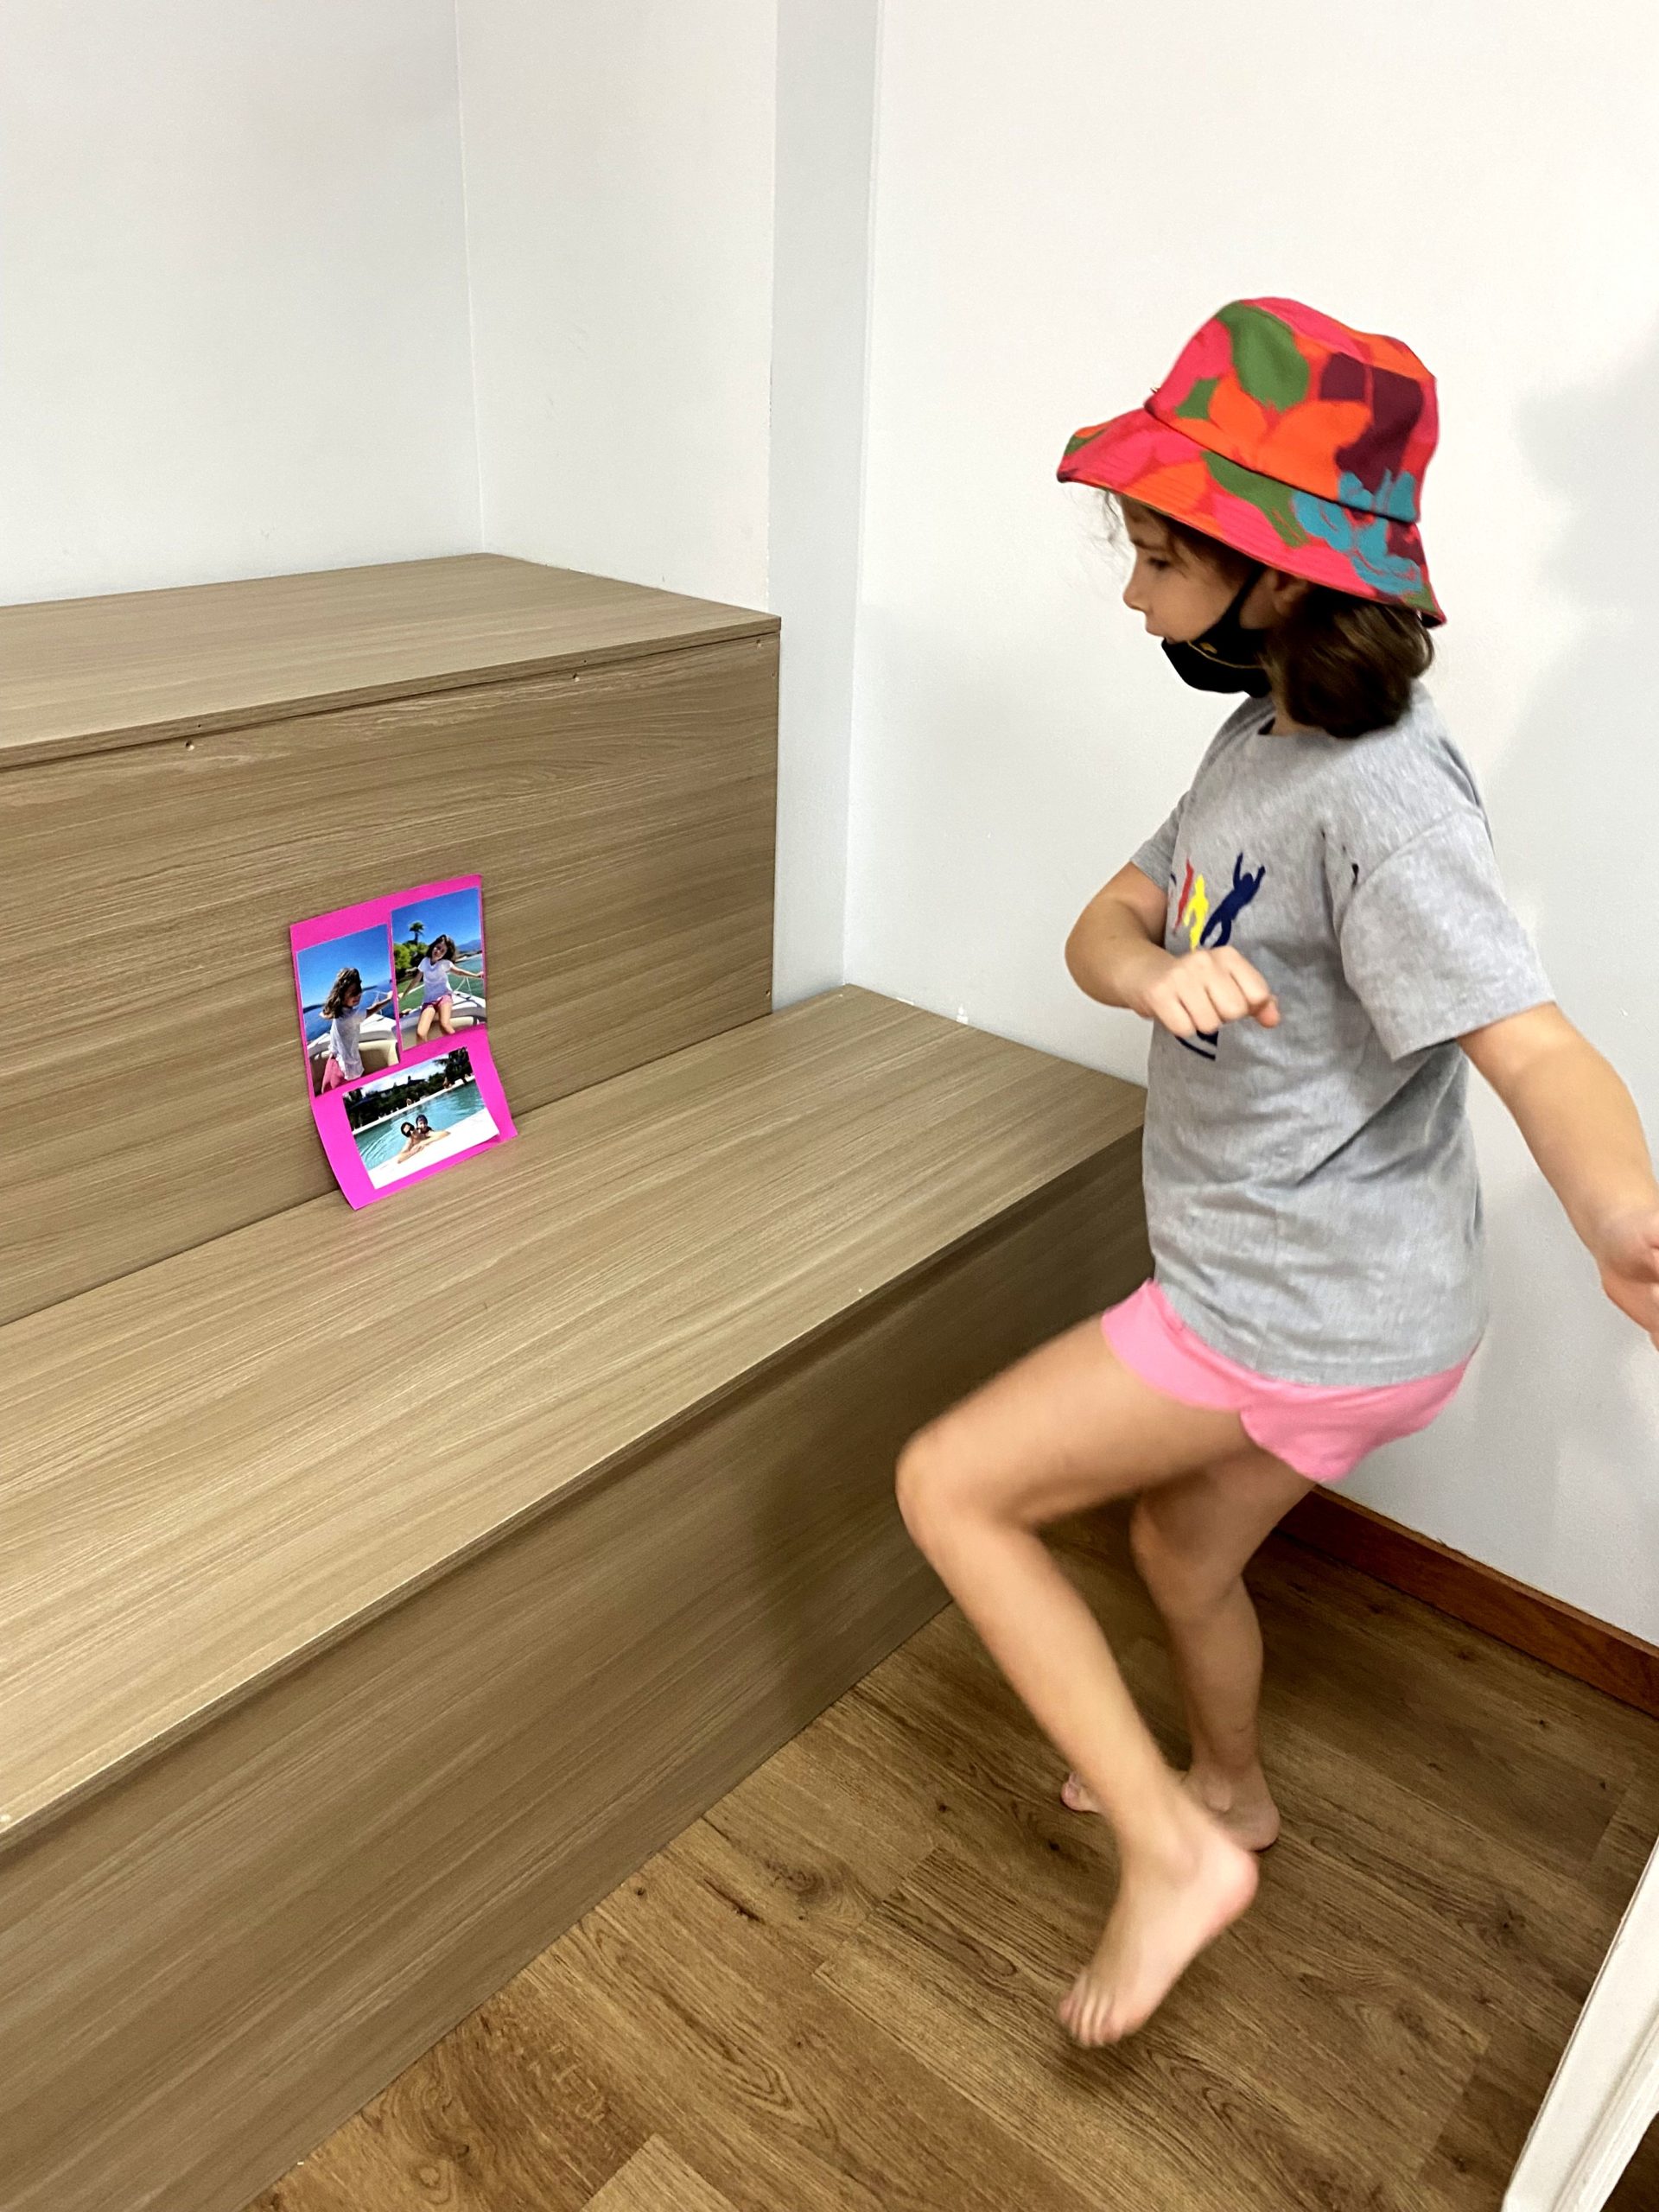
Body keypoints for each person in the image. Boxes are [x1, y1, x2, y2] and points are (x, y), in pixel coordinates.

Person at [894, 299, 1659, 2051]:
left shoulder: (1386, 799)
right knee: (1177, 1553)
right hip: (1317, 1294)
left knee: (952, 1486)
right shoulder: (1263, 748)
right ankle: (1227, 1796)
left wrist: (1622, 1214)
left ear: (1279, 574)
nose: (1130, 589)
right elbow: (1105, 920)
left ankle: (1170, 1852)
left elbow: (1534, 1043)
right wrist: (1150, 973)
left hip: (1301, 1310)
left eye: (1159, 553)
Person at [316, 967, 394, 1094]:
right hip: (345, 1068)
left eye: (359, 991)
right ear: (342, 994)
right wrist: (389, 999)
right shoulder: (352, 1015)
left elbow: (325, 1014)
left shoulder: (337, 1011)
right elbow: (373, 1009)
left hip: (336, 1062)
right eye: (353, 993)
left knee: (326, 1092)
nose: (358, 995)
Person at [410, 933, 483, 1045]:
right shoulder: (425, 961)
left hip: (444, 997)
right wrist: (403, 994)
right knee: (420, 1033)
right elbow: (416, 980)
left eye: (442, 951)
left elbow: (459, 972)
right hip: (428, 1001)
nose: (438, 951)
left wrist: (476, 976)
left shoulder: (445, 963)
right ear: (433, 946)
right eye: (438, 947)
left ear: (445, 954)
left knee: (444, 1025)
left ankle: (463, 1048)